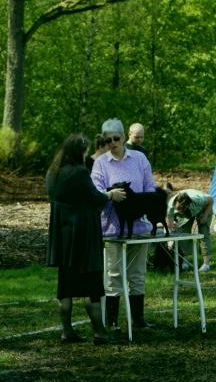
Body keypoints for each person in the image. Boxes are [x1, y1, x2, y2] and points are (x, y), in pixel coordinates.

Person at [46, 134, 127, 345]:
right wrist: (110, 194)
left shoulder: (52, 172)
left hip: (63, 237)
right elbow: (93, 197)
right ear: (79, 152)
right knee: (91, 284)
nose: (86, 155)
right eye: (85, 151)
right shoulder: (80, 172)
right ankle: (100, 332)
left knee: (65, 286)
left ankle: (67, 331)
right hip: (83, 235)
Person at [91, 118, 156, 329]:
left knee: (137, 274)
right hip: (113, 231)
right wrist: (110, 195)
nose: (112, 143)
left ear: (123, 137)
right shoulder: (100, 163)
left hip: (140, 229)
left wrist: (146, 209)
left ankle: (138, 319)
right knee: (113, 275)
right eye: (107, 140)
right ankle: (111, 322)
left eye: (116, 138)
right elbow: (94, 194)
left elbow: (150, 190)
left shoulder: (139, 159)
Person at [166, 189, 214, 272]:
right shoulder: (171, 205)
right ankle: (185, 261)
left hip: (203, 209)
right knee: (183, 234)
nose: (179, 210)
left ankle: (206, 264)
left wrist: (205, 216)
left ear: (188, 205)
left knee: (204, 233)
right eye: (178, 208)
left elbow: (211, 199)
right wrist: (170, 238)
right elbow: (169, 226)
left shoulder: (198, 200)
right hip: (187, 212)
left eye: (182, 208)